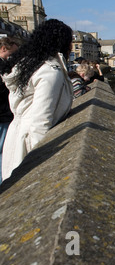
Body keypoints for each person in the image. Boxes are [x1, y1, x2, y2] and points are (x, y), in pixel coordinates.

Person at [0, 19, 74, 181]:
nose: (71, 48)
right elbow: (40, 122)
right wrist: (43, 164)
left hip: (17, 135)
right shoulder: (49, 72)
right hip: (27, 143)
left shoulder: (33, 65)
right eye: (70, 42)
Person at [0, 37, 19, 183]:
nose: (12, 57)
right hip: (3, 115)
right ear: (3, 48)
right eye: (11, 53)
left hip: (5, 115)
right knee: (3, 152)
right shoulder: (2, 67)